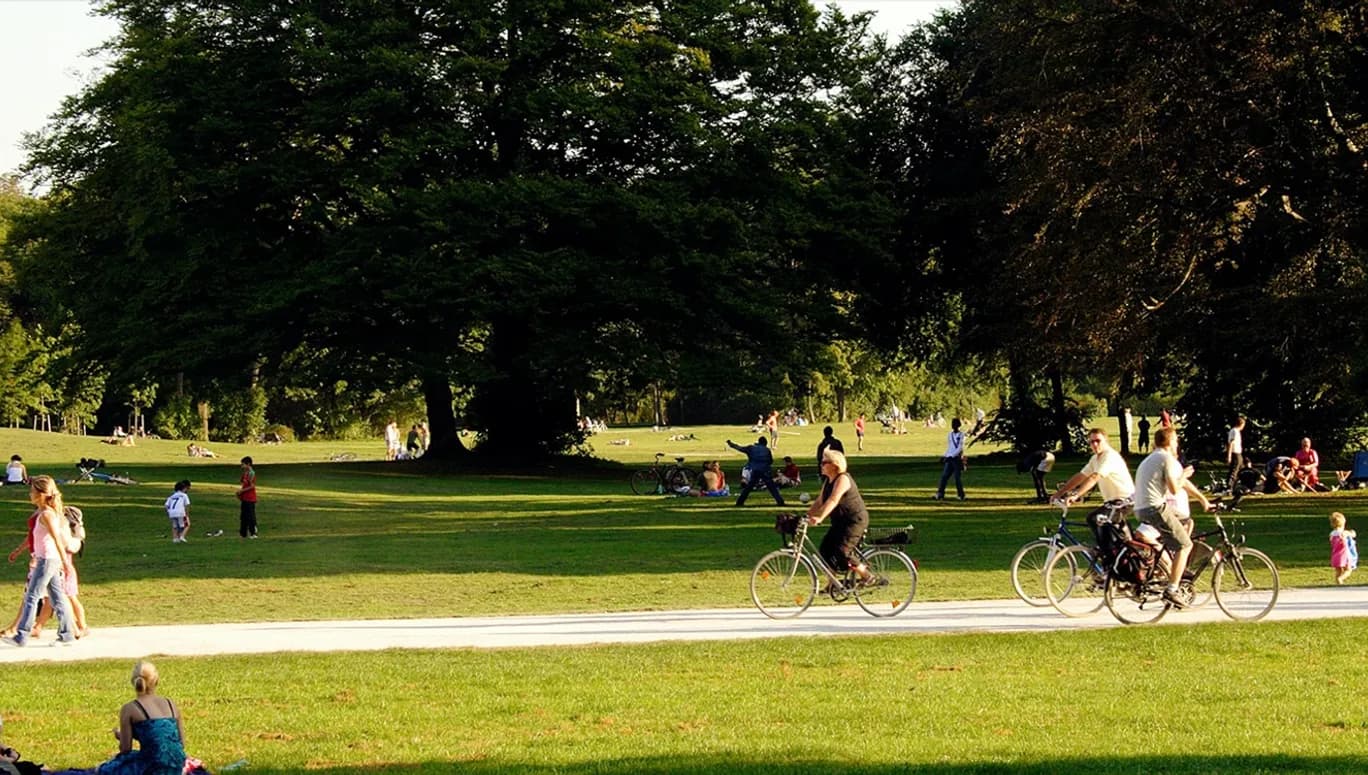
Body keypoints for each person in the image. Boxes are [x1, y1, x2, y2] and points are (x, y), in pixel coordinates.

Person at [1134, 426, 1208, 608]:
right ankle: (1172, 589)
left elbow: (1181, 483)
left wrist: (1203, 500)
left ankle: (1170, 564)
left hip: (1142, 508)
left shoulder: (1151, 458)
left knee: (1186, 521)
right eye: (1176, 440)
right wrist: (1184, 474)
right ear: (1170, 441)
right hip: (1155, 508)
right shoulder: (1167, 459)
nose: (1177, 444)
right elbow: (1175, 488)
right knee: (1186, 545)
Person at [2, 476, 77, 646]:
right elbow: (35, 538)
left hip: (47, 561)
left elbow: (57, 539)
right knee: (57, 598)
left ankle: (21, 636)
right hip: (47, 559)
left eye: (32, 491)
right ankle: (67, 635)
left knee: (32, 596)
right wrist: (18, 550)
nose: (30, 494)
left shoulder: (47, 515)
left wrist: (65, 562)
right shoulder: (43, 513)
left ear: (41, 494)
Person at [94, 660, 187, 775]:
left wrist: (121, 736)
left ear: (133, 682)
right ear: (156, 681)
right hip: (176, 766)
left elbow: (125, 749)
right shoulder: (171, 704)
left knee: (105, 768)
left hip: (152, 767)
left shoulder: (130, 708)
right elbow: (180, 743)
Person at [805, 450, 875, 588]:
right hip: (839, 522)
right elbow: (819, 501)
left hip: (854, 520)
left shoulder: (843, 479)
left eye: (824, 463)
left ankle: (867, 576)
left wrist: (819, 517)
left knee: (843, 551)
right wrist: (806, 517)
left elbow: (833, 500)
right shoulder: (828, 481)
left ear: (835, 465)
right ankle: (833, 584)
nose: (821, 465)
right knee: (825, 549)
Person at [1051, 428, 1135, 521]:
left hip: (1124, 500)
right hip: (1112, 501)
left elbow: (1094, 477)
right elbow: (1081, 476)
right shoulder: (1095, 459)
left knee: (1094, 519)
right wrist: (1059, 493)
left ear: (1106, 441)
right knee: (1100, 521)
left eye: (1098, 441)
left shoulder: (1109, 456)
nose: (1095, 444)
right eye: (1092, 442)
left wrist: (1076, 495)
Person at [726, 436, 785, 506]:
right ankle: (780, 501)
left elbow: (740, 448)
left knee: (748, 487)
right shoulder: (767, 450)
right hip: (765, 470)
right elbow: (770, 461)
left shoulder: (751, 448)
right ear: (765, 443)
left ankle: (740, 502)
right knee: (772, 487)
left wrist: (731, 444)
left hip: (755, 470)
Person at [933, 418, 967, 501]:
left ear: (959, 425)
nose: (954, 426)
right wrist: (945, 455)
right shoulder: (950, 435)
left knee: (957, 478)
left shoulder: (962, 435)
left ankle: (961, 495)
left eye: (955, 424)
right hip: (949, 458)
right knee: (944, 476)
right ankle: (940, 494)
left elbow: (960, 447)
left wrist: (952, 455)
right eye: (953, 424)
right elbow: (949, 447)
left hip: (957, 459)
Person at [1329, 512, 1358, 585]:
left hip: (1335, 555)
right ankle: (1341, 579)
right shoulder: (1344, 533)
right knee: (1348, 570)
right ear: (1343, 523)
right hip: (1344, 555)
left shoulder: (1332, 534)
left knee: (1338, 571)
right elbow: (1353, 534)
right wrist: (1351, 532)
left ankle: (1338, 583)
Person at [236, 457, 258, 539]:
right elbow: (243, 483)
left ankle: (253, 533)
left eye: (243, 464)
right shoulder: (245, 473)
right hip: (245, 498)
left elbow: (252, 486)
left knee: (250, 516)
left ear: (248, 464)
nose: (241, 466)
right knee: (243, 516)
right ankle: (243, 534)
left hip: (250, 498)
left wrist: (242, 491)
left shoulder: (251, 473)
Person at [1225, 417, 1245, 493]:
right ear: (1242, 424)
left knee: (1241, 469)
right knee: (1234, 470)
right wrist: (1229, 455)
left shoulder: (1236, 431)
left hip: (1238, 453)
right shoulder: (1234, 431)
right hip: (1235, 453)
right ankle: (1229, 487)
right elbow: (1231, 443)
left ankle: (1237, 485)